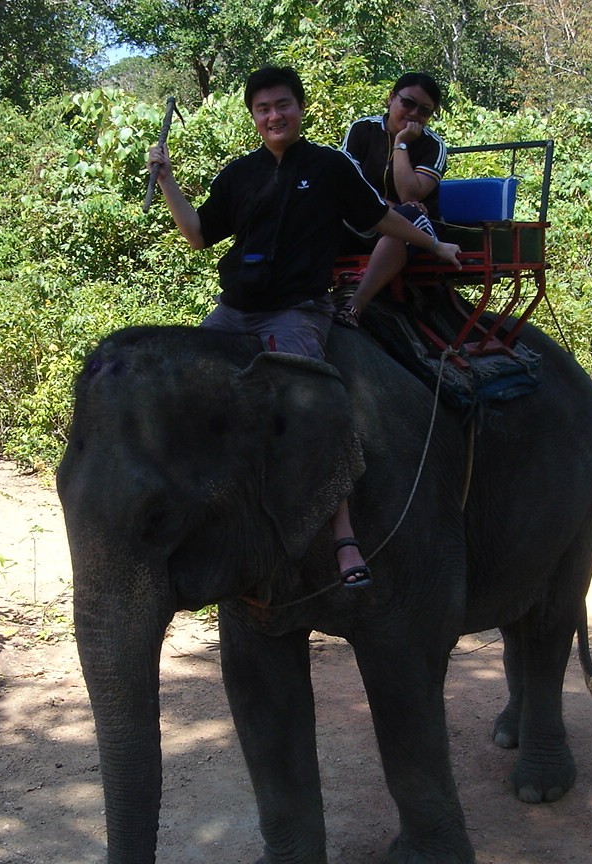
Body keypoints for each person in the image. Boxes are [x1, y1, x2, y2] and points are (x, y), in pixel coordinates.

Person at [148, 65, 461, 589]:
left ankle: (343, 539)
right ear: (254, 116)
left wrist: (433, 243)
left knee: (307, 404)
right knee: (187, 389)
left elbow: (381, 219)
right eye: (263, 108)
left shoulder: (330, 166)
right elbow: (199, 235)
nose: (274, 116)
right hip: (235, 308)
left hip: (296, 309)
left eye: (283, 105)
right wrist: (167, 182)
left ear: (300, 108)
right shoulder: (238, 174)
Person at [335, 72, 448, 328]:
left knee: (407, 218)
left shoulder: (433, 146)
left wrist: (401, 144)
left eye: (424, 111)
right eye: (407, 103)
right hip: (365, 221)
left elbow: (411, 195)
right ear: (391, 98)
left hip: (415, 227)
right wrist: (388, 207)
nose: (413, 114)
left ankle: (355, 306)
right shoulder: (362, 130)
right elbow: (347, 188)